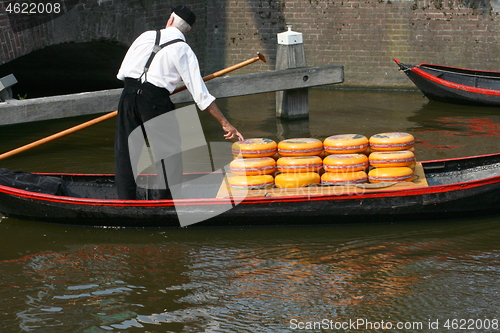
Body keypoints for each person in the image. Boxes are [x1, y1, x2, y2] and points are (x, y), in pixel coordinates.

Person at [115, 5, 244, 200]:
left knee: (126, 150)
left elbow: (122, 73)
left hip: (128, 95)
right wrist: (226, 124)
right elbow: (200, 95)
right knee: (168, 154)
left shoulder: (144, 36)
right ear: (187, 30)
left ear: (169, 20)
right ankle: (165, 202)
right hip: (155, 101)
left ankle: (125, 200)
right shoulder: (183, 49)